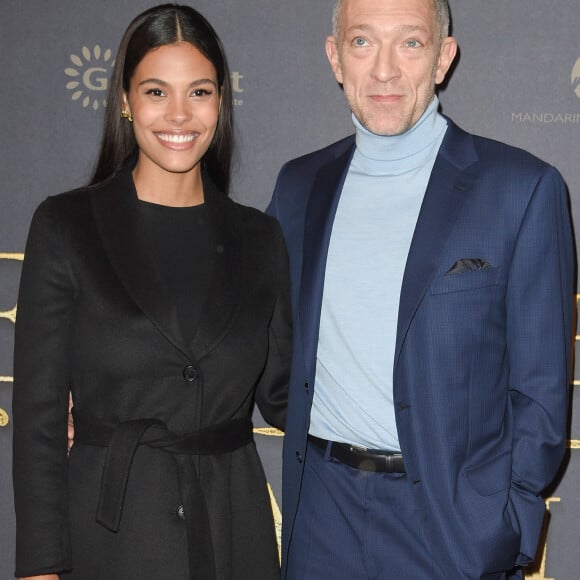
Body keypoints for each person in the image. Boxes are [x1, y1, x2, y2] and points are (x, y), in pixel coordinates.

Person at [267, 0, 574, 578]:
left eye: (409, 43)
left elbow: (541, 394)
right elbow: (253, 334)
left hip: (448, 526)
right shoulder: (300, 185)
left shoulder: (522, 189)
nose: (384, 70)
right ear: (336, 58)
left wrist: (501, 522)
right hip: (319, 518)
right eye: (362, 43)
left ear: (442, 58)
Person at [12, 4, 292, 580]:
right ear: (124, 99)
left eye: (200, 92)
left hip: (234, 531)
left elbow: (287, 392)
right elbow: (39, 420)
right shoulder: (67, 226)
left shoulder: (260, 238)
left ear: (221, 102)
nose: (180, 115)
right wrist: (40, 567)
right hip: (110, 535)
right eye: (157, 92)